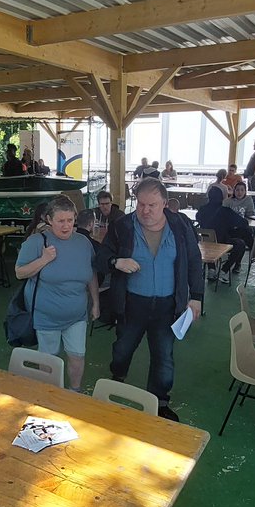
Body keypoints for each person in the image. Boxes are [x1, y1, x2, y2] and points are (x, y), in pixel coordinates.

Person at [96, 178, 204, 420]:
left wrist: (196, 296)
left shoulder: (180, 226)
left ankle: (160, 402)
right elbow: (101, 257)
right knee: (122, 349)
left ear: (164, 203)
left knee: (163, 356)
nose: (145, 210)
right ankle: (117, 378)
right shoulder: (122, 226)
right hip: (132, 303)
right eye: (141, 204)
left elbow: (194, 260)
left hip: (167, 305)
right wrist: (116, 262)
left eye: (152, 205)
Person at [15, 195, 100, 392]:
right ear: (49, 220)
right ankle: (49, 394)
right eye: (60, 220)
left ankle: (75, 392)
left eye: (70, 220)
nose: (66, 225)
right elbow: (20, 273)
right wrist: (44, 259)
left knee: (77, 355)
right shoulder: (36, 242)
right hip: (46, 316)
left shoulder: (83, 243)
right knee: (48, 360)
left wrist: (96, 302)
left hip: (77, 315)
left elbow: (91, 274)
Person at [197, 186, 251, 285]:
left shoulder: (201, 210)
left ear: (209, 197)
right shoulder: (225, 211)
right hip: (222, 243)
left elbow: (198, 219)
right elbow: (244, 223)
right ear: (222, 198)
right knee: (240, 244)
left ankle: (211, 270)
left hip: (205, 244)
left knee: (210, 242)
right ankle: (224, 270)